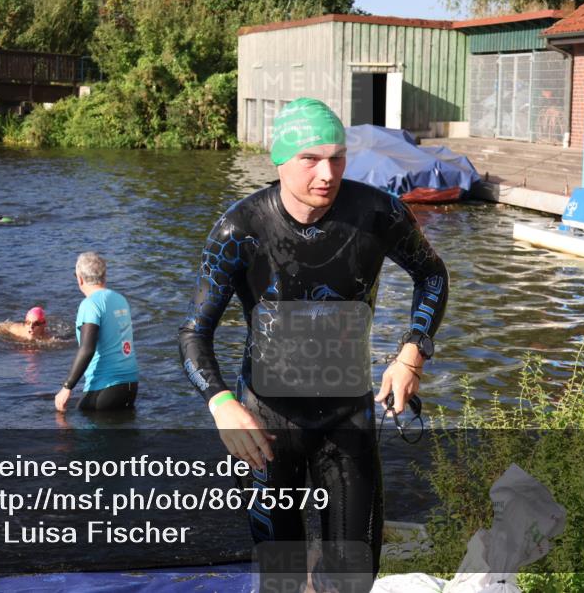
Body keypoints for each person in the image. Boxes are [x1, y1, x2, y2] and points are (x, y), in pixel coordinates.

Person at [178, 97, 448, 589]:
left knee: (354, 577)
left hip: (347, 417)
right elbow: (195, 333)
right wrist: (220, 405)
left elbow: (432, 275)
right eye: (310, 159)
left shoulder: (377, 213)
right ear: (280, 160)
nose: (327, 173)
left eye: (337, 157)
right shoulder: (240, 229)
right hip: (264, 423)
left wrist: (412, 352)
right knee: (280, 576)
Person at [55, 252, 138, 412]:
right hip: (131, 385)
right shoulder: (120, 299)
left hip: (104, 387)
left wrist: (67, 387)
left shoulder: (90, 304)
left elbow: (87, 349)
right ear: (104, 275)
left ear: (79, 278)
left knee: (63, 423)